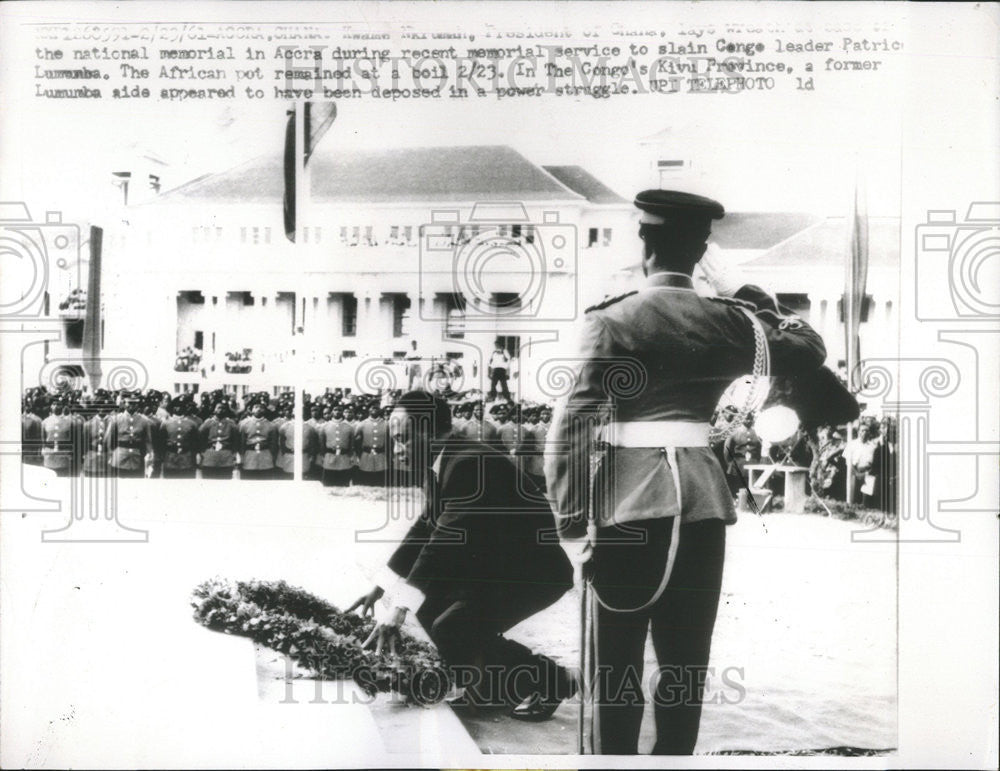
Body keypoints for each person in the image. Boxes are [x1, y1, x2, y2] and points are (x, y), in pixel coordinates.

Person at [545, 189, 828, 755]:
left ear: (642, 239)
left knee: (616, 669)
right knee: (684, 667)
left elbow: (568, 433)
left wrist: (572, 527)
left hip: (627, 507)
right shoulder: (731, 321)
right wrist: (741, 289)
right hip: (701, 504)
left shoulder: (611, 320)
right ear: (702, 250)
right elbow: (809, 346)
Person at [349, 390, 576, 719]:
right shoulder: (447, 459)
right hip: (498, 568)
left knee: (453, 626)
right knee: (439, 613)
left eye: (402, 439)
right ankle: (494, 687)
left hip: (532, 574)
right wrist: (381, 586)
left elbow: (444, 540)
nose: (396, 450)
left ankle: (553, 680)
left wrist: (399, 606)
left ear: (429, 432)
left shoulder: (469, 462)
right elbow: (426, 528)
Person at [106, 393, 155, 479]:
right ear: (124, 403)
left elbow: (148, 440)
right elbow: (109, 438)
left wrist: (149, 456)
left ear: (138, 405)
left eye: (135, 403)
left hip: (137, 458)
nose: (132, 406)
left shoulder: (144, 420)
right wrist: (111, 454)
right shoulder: (116, 419)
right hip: (119, 457)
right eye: (129, 403)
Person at [161, 397, 201, 479]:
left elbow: (196, 443)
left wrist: (193, 458)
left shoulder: (192, 424)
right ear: (173, 408)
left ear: (185, 408)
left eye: (182, 406)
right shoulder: (166, 424)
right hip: (170, 459)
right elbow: (160, 442)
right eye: (176, 406)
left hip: (186, 460)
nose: (179, 408)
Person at [239, 398, 278, 480]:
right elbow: (241, 443)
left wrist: (272, 458)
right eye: (256, 407)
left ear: (265, 410)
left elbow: (273, 444)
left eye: (261, 407)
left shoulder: (271, 425)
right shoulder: (244, 424)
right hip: (249, 457)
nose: (259, 409)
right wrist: (241, 459)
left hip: (265, 457)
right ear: (251, 410)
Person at [198, 402, 238, 479]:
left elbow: (235, 440)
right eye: (218, 408)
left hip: (226, 457)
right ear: (214, 409)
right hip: (210, 457)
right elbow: (200, 438)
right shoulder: (207, 423)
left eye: (223, 408)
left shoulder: (231, 424)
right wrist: (203, 452)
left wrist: (233, 454)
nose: (220, 410)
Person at [354, 403, 389, 487]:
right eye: (371, 407)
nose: (374, 409)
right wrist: (359, 455)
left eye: (376, 407)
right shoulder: (362, 424)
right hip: (366, 456)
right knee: (366, 481)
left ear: (380, 410)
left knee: (380, 482)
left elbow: (389, 441)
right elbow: (356, 442)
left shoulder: (386, 424)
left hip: (381, 456)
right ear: (368, 410)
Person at [321, 405, 355, 486]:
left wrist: (351, 456)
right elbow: (322, 443)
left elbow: (351, 444)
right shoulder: (325, 426)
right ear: (332, 412)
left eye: (339, 410)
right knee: (328, 484)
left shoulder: (349, 427)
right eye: (335, 409)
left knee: (343, 483)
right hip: (330, 457)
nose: (337, 412)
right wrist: (323, 456)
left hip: (344, 458)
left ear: (342, 412)